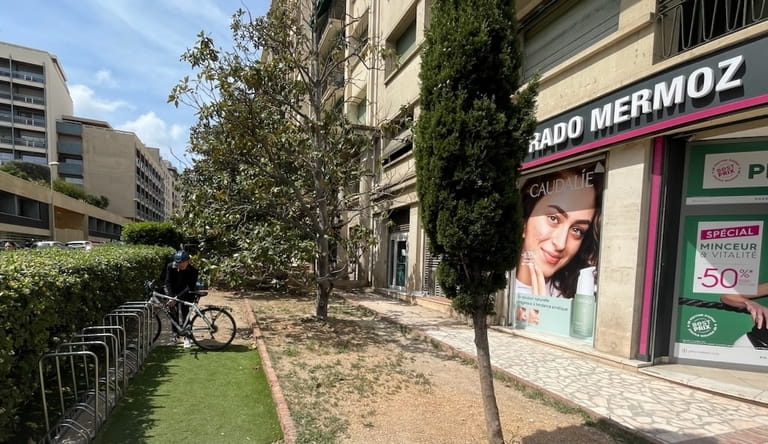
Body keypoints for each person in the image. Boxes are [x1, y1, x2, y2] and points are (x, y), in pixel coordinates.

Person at [515, 164, 603, 299]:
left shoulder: (573, 296)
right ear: (525, 220)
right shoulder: (494, 287)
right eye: (553, 218)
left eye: (577, 230)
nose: (560, 244)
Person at [164, 250, 199, 348]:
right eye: (178, 263)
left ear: (188, 261)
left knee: (185, 313)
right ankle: (175, 335)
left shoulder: (193, 271)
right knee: (172, 312)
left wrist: (177, 298)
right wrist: (171, 297)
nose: (180, 265)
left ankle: (187, 336)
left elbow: (189, 287)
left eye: (183, 263)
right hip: (173, 292)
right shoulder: (170, 267)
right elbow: (168, 282)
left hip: (186, 293)